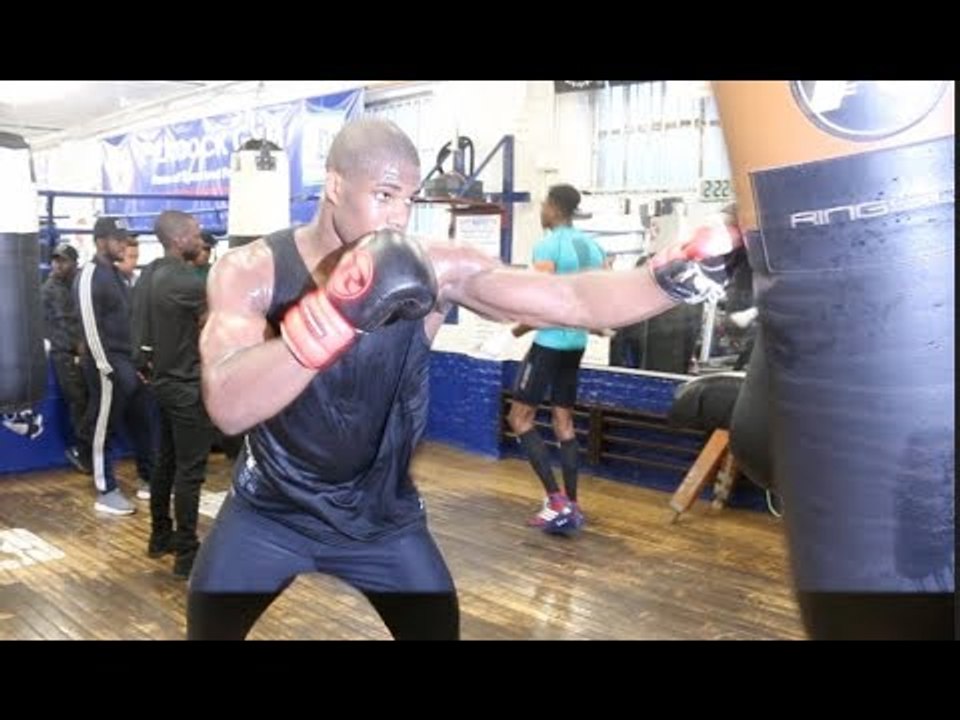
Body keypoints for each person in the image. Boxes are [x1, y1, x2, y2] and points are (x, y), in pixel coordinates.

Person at [505, 184, 607, 534]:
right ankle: (574, 503)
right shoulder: (592, 247)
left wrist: (517, 330)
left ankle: (556, 500)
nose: (541, 211)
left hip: (549, 343)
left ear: (553, 207)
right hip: (576, 344)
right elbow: (595, 299)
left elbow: (540, 301)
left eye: (543, 204)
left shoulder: (549, 245)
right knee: (564, 423)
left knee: (519, 419)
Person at [135, 210, 213, 579]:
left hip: (161, 383)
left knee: (166, 462)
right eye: (196, 233)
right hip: (184, 386)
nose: (200, 238)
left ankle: (159, 536)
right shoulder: (185, 279)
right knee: (190, 471)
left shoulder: (150, 273)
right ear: (180, 238)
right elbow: (225, 301)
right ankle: (186, 554)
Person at [75, 217, 156, 514]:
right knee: (103, 428)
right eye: (117, 239)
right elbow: (89, 325)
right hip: (107, 365)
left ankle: (149, 479)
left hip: (127, 363)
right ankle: (105, 490)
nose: (123, 244)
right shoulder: (91, 275)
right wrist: (105, 367)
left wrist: (139, 361)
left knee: (143, 424)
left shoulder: (117, 276)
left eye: (125, 239)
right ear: (101, 241)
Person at [42, 242, 92, 474]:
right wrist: (76, 346)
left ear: (74, 263)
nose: (58, 264)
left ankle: (89, 452)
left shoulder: (79, 284)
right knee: (79, 402)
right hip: (65, 354)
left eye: (63, 260)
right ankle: (84, 453)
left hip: (81, 352)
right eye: (55, 260)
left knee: (87, 401)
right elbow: (60, 325)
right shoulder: (50, 289)